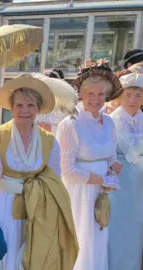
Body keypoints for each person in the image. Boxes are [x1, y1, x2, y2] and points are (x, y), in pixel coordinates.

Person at [0, 74, 78, 270]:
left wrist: (31, 190)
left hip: (36, 206)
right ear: (11, 107)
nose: (24, 110)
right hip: (3, 202)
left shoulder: (50, 140)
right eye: (19, 105)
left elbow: (53, 180)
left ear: (38, 108)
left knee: (31, 252)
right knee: (4, 250)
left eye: (30, 105)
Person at [57, 59, 123, 270]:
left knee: (99, 238)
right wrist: (102, 179)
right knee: (82, 240)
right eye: (91, 93)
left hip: (103, 190)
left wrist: (114, 167)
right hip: (79, 193)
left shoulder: (110, 122)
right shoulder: (70, 124)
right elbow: (67, 171)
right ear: (81, 94)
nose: (96, 99)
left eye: (101, 94)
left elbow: (111, 155)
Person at [108, 72, 143, 270]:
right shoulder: (109, 121)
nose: (132, 100)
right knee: (117, 230)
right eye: (128, 94)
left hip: (140, 187)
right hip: (118, 185)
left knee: (136, 233)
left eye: (138, 95)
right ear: (120, 96)